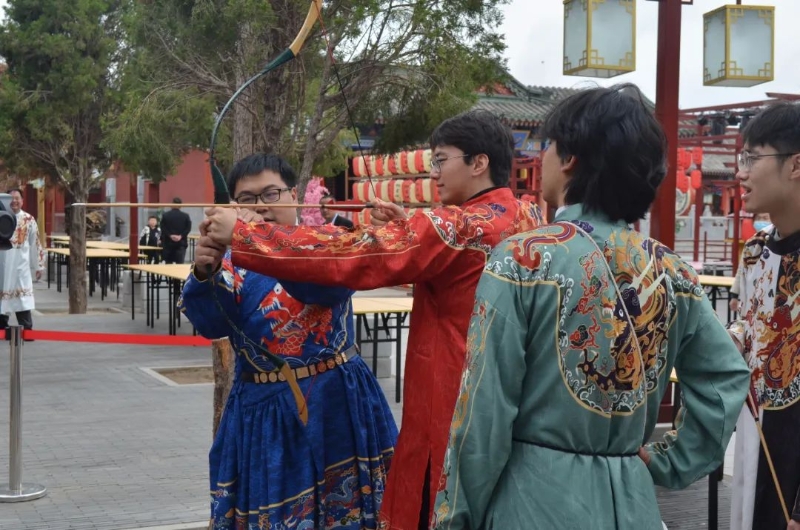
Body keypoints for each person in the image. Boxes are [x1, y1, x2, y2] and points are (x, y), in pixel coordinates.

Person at [202, 109, 544, 530]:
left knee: (447, 503)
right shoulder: (528, 216)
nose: (434, 173)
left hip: (443, 389)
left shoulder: (456, 224)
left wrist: (246, 234)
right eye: (248, 200)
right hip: (501, 387)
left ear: (478, 163)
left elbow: (352, 260)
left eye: (441, 160)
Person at [431, 84, 750, 530]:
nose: (541, 157)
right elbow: (726, 376)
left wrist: (454, 518)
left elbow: (483, 412)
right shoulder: (671, 271)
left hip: (534, 501)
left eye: (548, 146)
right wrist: (670, 461)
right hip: (633, 500)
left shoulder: (523, 258)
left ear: (569, 160)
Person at [179, 153, 397, 529]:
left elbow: (322, 287)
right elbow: (211, 323)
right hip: (262, 410)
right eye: (247, 199)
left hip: (336, 400)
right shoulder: (230, 260)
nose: (261, 206)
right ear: (234, 206)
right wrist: (205, 270)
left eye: (270, 194)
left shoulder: (329, 242)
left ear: (293, 194)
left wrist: (256, 241)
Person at [727, 102, 800, 530]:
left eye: (752, 158)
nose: (741, 171)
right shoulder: (755, 251)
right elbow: (749, 324)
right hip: (757, 426)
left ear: (795, 166)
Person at [0, 188, 45, 335]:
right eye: (11, 198)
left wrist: (38, 265)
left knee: (23, 299)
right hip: (2, 265)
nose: (14, 201)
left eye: (17, 198)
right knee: (2, 297)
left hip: (20, 266)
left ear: (22, 200)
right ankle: (1, 328)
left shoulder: (28, 220)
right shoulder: (1, 217)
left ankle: (27, 329)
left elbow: (35, 243)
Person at [730, 213, 771, 314]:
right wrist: (734, 295)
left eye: (765, 218)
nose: (761, 221)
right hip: (749, 300)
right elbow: (741, 270)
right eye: (758, 218)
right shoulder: (750, 245)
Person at [160, 197, 191, 263]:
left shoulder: (165, 215)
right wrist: (181, 236)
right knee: (180, 264)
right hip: (181, 243)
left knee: (168, 263)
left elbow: (163, 227)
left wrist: (170, 235)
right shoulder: (185, 216)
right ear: (181, 205)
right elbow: (188, 228)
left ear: (172, 204)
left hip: (168, 243)